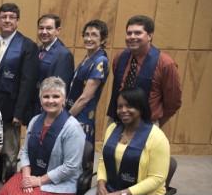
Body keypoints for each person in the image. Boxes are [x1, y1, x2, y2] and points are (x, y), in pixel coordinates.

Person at [0, 77, 85, 195]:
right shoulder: (35, 120)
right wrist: (27, 175)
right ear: (40, 99)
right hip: (33, 174)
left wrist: (38, 181)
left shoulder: (72, 128)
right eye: (46, 96)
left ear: (64, 100)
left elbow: (71, 166)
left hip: (60, 182)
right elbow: (26, 151)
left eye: (56, 96)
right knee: (8, 192)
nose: (50, 101)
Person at [106, 15, 182, 127]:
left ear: (150, 35)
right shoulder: (119, 57)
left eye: (137, 33)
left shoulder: (165, 63)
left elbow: (173, 102)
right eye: (129, 33)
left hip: (146, 124)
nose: (132, 37)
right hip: (116, 122)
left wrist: (153, 124)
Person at [0, 2, 39, 162]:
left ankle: (7, 183)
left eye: (12, 17)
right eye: (4, 17)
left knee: (8, 152)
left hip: (10, 110)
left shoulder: (27, 46)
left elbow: (28, 82)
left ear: (17, 21)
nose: (7, 20)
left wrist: (19, 112)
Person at [67, 20, 110, 152]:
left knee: (77, 159)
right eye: (86, 34)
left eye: (94, 35)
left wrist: (66, 117)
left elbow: (85, 98)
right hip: (73, 112)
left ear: (102, 39)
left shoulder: (100, 60)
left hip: (81, 117)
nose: (88, 38)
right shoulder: (88, 57)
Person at [34, 14, 75, 114]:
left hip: (50, 110)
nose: (44, 32)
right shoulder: (37, 50)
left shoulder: (63, 54)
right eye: (41, 28)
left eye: (49, 28)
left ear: (58, 30)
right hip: (35, 107)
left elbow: (59, 89)